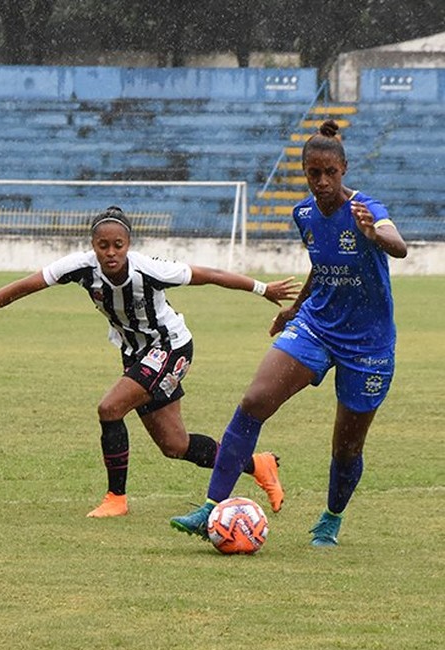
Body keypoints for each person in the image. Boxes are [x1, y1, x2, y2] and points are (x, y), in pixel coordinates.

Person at [0, 205, 301, 517]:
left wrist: (262, 288)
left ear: (128, 245)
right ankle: (256, 464)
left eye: (117, 245)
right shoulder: (79, 267)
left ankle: (115, 499)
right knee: (175, 445)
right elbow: (21, 287)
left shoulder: (148, 269)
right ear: (93, 246)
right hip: (135, 353)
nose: (110, 252)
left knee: (110, 408)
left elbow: (209, 275)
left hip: (170, 347)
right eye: (103, 245)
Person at [171, 120, 408, 547]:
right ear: (304, 172)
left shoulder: (366, 208)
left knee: (346, 447)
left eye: (329, 173)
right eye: (312, 173)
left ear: (344, 170)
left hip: (368, 343)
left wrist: (375, 233)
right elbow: (322, 262)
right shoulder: (303, 214)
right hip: (316, 326)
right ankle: (210, 509)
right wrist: (295, 311)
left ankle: (331, 519)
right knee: (254, 401)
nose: (321, 182)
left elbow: (399, 244)